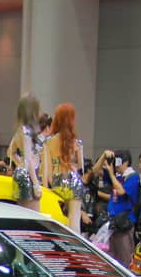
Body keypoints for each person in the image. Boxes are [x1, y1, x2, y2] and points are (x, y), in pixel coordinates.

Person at [41, 103, 87, 232]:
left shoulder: (48, 142)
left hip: (57, 181)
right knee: (74, 216)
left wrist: (46, 186)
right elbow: (81, 167)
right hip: (74, 181)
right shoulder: (77, 142)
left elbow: (46, 169)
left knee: (59, 217)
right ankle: (74, 248)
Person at [6, 94, 43, 211]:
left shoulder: (20, 130)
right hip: (29, 176)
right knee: (34, 215)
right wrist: (36, 184)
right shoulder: (26, 131)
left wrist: (20, 165)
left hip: (23, 173)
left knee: (25, 213)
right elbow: (28, 158)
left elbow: (10, 152)